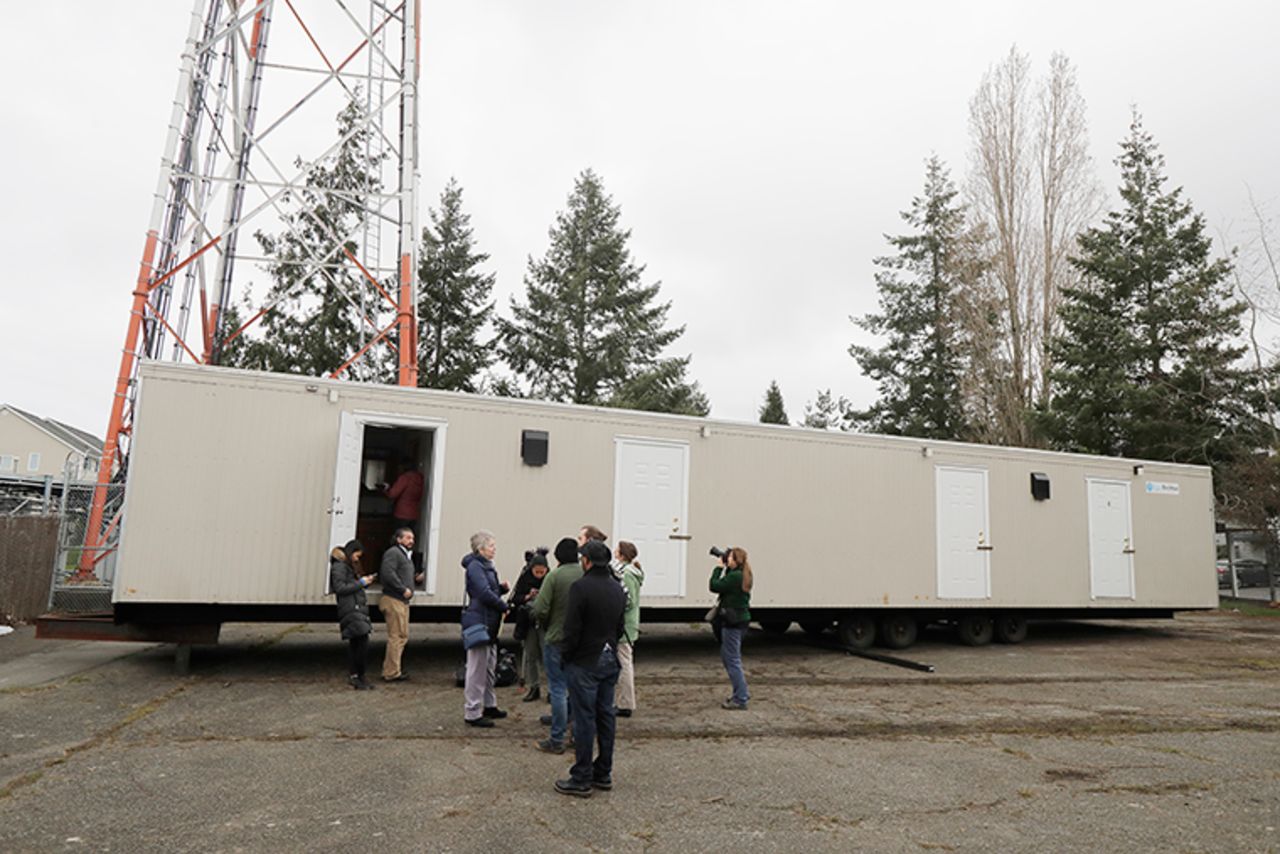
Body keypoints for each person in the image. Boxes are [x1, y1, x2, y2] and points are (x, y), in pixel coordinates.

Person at [555, 539, 627, 797]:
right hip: (609, 657)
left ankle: (581, 776)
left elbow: (571, 629)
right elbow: (620, 626)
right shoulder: (617, 587)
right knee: (606, 716)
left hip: (585, 660)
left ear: (586, 561)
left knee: (584, 719)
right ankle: (603, 771)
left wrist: (566, 656)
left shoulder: (581, 588)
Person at [532, 537, 583, 753]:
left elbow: (540, 608)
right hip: (579, 640)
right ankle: (577, 734)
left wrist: (544, 621)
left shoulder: (554, 576)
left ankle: (556, 738)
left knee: (558, 688)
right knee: (577, 688)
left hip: (556, 637)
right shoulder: (584, 574)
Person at [461, 529, 510, 728]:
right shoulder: (475, 566)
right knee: (477, 669)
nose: (494, 548)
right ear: (481, 549)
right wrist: (502, 604)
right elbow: (482, 592)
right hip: (481, 620)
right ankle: (472, 711)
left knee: (489, 666)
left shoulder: (485, 566)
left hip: (489, 621)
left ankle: (489, 704)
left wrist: (501, 589)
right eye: (491, 545)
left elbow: (487, 589)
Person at [330, 539, 377, 690]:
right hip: (351, 608)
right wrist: (361, 583)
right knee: (361, 642)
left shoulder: (345, 566)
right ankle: (358, 675)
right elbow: (340, 588)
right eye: (357, 555)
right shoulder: (340, 566)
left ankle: (356, 675)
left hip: (355, 607)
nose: (357, 559)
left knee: (357, 642)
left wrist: (364, 581)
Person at [710, 546, 753, 710]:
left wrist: (718, 568)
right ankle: (740, 692)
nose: (727, 559)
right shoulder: (743, 574)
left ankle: (741, 698)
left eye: (730, 558)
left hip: (732, 622)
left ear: (736, 561)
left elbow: (714, 585)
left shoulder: (735, 577)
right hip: (740, 621)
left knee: (732, 660)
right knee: (728, 657)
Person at [508, 552, 549, 702]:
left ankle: (552, 689)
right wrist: (527, 596)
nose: (539, 574)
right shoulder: (524, 578)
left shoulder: (550, 579)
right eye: (536, 571)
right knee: (530, 655)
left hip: (545, 622)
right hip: (528, 622)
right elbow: (515, 598)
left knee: (547, 656)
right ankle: (534, 687)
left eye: (542, 571)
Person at [378, 527, 416, 682]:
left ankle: (394, 669)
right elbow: (387, 573)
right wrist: (402, 589)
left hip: (402, 601)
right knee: (396, 636)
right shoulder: (393, 552)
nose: (411, 541)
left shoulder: (404, 555)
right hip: (394, 599)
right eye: (407, 538)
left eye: (412, 538)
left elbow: (399, 573)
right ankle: (391, 672)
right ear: (399, 539)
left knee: (402, 636)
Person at [614, 541, 644, 717]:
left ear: (622, 555)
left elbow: (629, 600)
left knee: (624, 663)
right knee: (624, 661)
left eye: (617, 550)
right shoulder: (630, 572)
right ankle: (623, 701)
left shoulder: (626, 575)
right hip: (628, 624)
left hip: (625, 624)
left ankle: (626, 703)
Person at [384, 460, 424, 533]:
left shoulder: (405, 478)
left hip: (402, 513)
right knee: (409, 536)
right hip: (414, 514)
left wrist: (386, 489)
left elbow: (392, 494)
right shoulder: (420, 478)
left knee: (399, 536)